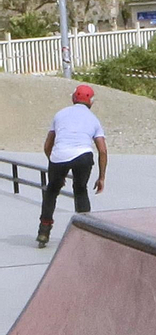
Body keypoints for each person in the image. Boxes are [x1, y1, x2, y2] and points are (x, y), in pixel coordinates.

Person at [38, 84, 108, 248]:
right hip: (83, 156)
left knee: (51, 192)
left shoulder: (60, 114)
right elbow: (103, 151)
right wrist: (102, 177)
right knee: (80, 189)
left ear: (73, 98)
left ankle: (43, 232)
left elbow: (48, 145)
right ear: (91, 102)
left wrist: (55, 167)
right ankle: (85, 234)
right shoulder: (94, 119)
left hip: (59, 156)